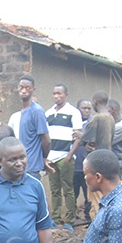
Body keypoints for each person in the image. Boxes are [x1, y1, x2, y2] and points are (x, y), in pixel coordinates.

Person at [46, 84, 84, 225]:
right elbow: (46, 137)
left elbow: (78, 137)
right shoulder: (48, 113)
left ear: (66, 95)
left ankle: (69, 220)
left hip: (65, 157)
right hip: (51, 158)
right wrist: (46, 157)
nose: (57, 96)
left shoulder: (73, 112)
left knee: (68, 189)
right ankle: (55, 219)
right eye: (54, 93)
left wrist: (69, 155)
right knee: (54, 190)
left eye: (60, 93)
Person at [8, 75, 51, 178]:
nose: (24, 90)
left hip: (32, 168)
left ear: (33, 90)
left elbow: (46, 140)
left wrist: (44, 158)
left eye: (27, 88)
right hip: (22, 166)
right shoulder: (23, 112)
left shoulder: (36, 111)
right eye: (21, 87)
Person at [73, 99, 93, 223]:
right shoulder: (74, 122)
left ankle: (88, 217)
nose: (86, 111)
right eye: (83, 108)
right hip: (75, 165)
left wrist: (82, 136)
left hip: (88, 166)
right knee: (73, 193)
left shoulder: (93, 123)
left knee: (88, 194)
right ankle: (73, 216)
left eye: (88, 108)